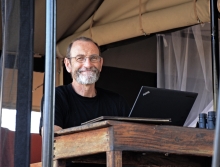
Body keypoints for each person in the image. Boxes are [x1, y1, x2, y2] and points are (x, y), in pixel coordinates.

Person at [40, 36, 130, 136]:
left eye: (94, 58)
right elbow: (52, 141)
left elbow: (132, 140)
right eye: (80, 58)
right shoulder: (55, 97)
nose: (87, 64)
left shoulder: (117, 102)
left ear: (100, 64)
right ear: (68, 64)